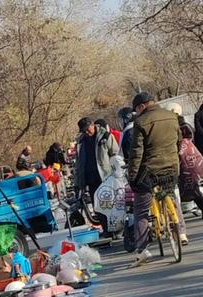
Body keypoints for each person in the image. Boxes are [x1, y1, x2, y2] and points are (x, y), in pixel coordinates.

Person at [127, 91, 184, 264]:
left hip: (151, 171)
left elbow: (137, 152)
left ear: (142, 106)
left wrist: (133, 176)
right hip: (172, 167)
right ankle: (180, 230)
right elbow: (179, 141)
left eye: (137, 109)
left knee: (141, 209)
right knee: (171, 197)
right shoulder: (171, 116)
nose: (137, 113)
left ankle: (143, 249)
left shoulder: (141, 122)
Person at [75, 116, 119, 232]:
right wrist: (79, 183)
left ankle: (116, 229)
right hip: (91, 179)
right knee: (98, 207)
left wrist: (117, 174)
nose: (86, 132)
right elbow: (78, 164)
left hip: (106, 177)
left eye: (88, 129)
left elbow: (115, 154)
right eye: (84, 130)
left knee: (110, 204)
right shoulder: (80, 142)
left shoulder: (105, 136)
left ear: (93, 124)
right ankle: (106, 230)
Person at [177, 116, 203, 214]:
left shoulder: (184, 129)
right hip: (191, 160)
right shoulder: (186, 127)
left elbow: (192, 138)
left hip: (189, 160)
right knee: (194, 188)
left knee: (194, 188)